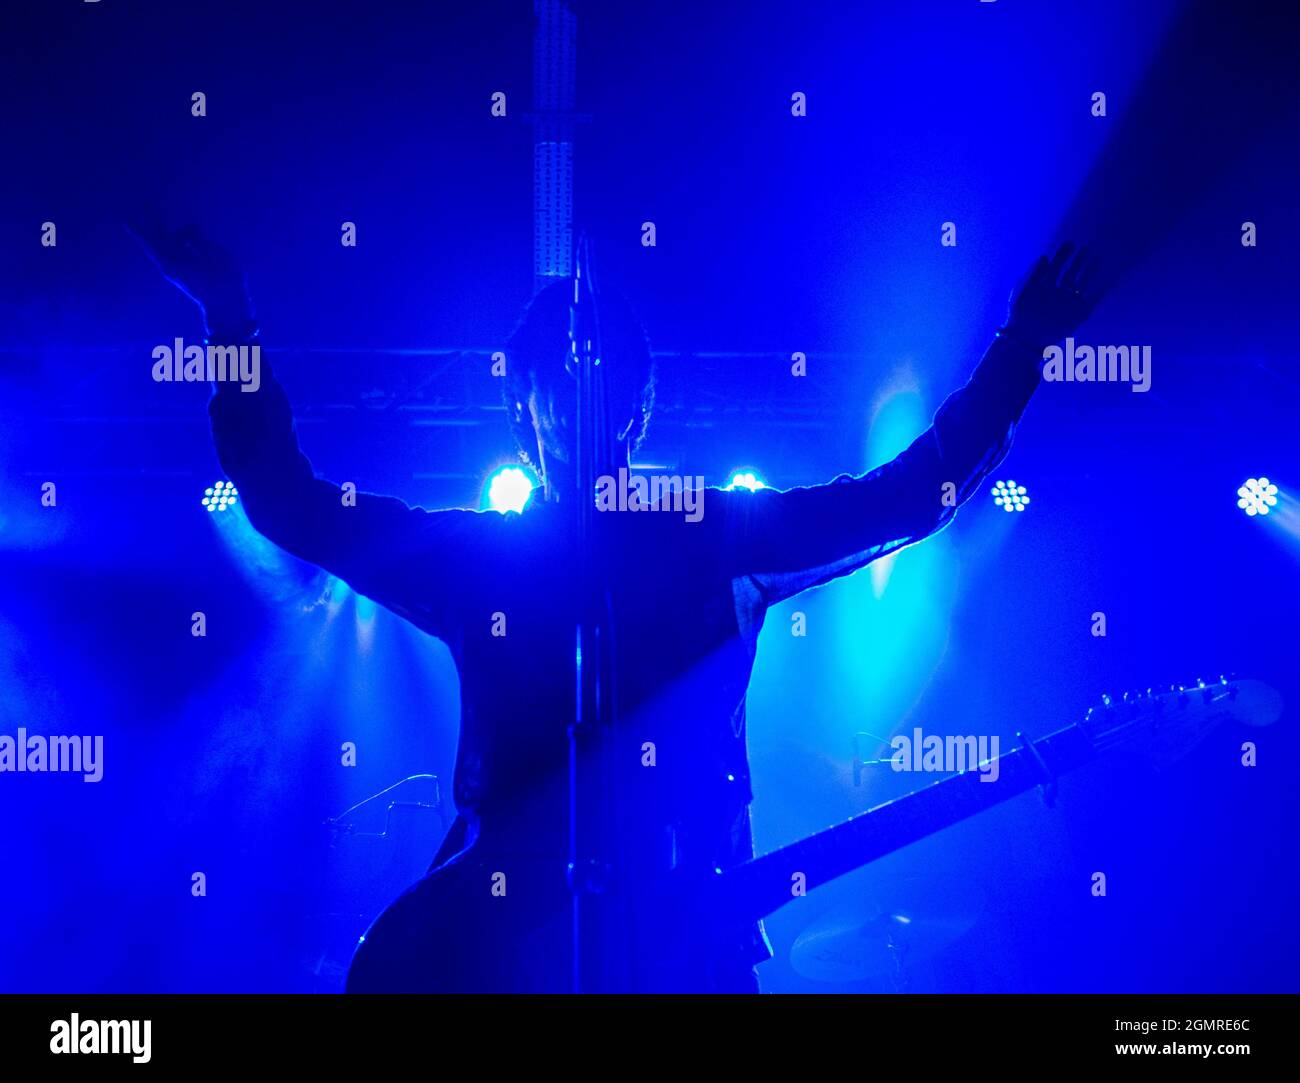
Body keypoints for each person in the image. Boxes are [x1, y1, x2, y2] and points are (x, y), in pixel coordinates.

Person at [135, 226, 1097, 991]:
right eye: (556, 375)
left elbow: (906, 498)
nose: (578, 393)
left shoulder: (717, 536)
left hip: (685, 937)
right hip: (502, 938)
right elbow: (287, 502)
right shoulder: (478, 558)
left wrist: (1022, 352)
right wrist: (231, 318)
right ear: (522, 410)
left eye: (602, 375)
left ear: (639, 408)